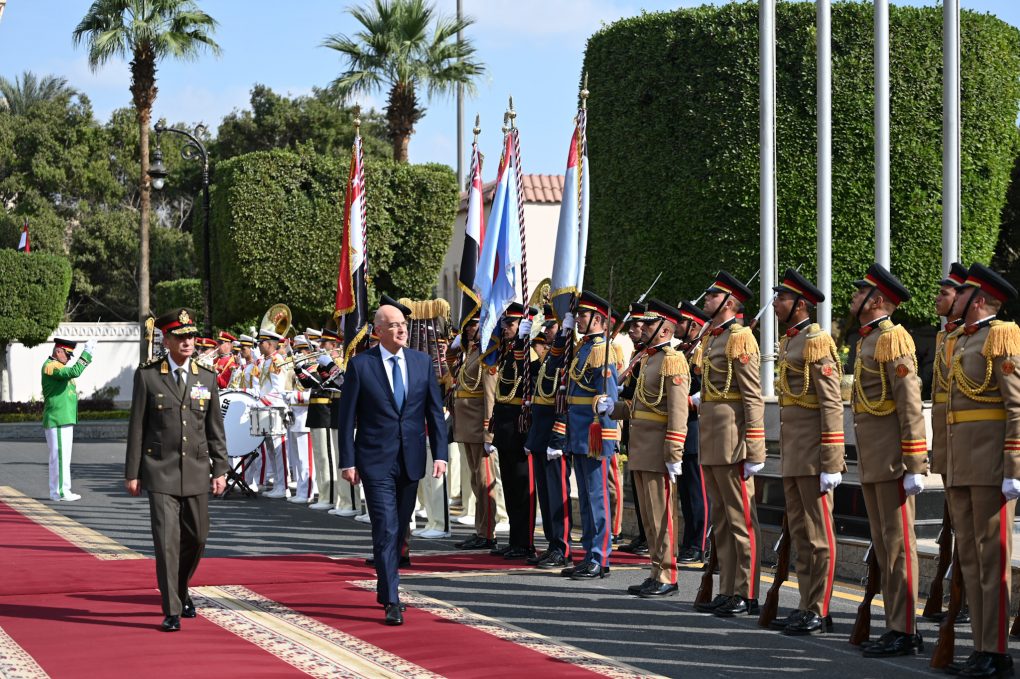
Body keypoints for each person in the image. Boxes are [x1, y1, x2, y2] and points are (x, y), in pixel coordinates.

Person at [338, 303, 448, 626]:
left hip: (411, 459)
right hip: (374, 460)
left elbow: (433, 412)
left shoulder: (422, 362)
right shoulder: (361, 366)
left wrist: (439, 453)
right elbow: (347, 420)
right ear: (379, 331)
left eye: (403, 324)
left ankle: (384, 582)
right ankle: (392, 598)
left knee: (399, 529)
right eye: (394, 325)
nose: (402, 330)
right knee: (385, 527)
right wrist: (348, 460)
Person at [125, 308, 228, 632]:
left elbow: (215, 429)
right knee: (167, 541)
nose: (187, 342)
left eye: (191, 337)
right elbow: (137, 427)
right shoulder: (148, 375)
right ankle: (171, 608)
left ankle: (181, 589)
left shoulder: (206, 377)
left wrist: (221, 469)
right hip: (160, 470)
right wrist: (133, 472)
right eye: (180, 337)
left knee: (197, 537)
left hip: (197, 469)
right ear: (166, 340)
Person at [944, 263, 1020, 677]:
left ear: (980, 300)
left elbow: (1016, 406)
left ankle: (996, 650)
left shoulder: (1002, 337)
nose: (954, 296)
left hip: (991, 465)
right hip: (961, 465)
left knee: (992, 559)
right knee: (970, 560)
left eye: (963, 292)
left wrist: (1014, 466)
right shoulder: (959, 341)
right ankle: (979, 646)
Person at [848, 263, 928, 657]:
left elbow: (910, 405)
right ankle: (896, 623)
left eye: (859, 292)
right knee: (884, 546)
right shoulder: (866, 341)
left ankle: (906, 627)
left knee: (899, 547)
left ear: (876, 300)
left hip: (894, 461)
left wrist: (915, 462)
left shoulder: (894, 340)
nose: (852, 297)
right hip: (874, 460)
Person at [771, 269, 845, 635]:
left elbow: (831, 405)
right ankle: (805, 603)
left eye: (781, 298)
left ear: (800, 305)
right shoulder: (790, 343)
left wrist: (832, 459)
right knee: (801, 534)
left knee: (819, 536)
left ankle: (820, 607)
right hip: (794, 455)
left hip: (815, 456)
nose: (774, 304)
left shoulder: (817, 342)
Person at [607, 299, 690, 598]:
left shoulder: (672, 360)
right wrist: (614, 408)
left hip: (658, 449)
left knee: (662, 515)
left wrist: (674, 451)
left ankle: (667, 574)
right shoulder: (647, 359)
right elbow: (639, 405)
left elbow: (678, 411)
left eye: (651, 324)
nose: (644, 328)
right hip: (641, 446)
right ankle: (656, 570)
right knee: (648, 516)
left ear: (666, 329)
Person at [694, 271, 765, 617]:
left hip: (734, 442)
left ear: (729, 303)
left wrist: (754, 446)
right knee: (722, 520)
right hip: (713, 441)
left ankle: (747, 590)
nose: (705, 300)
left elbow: (753, 397)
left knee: (741, 521)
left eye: (711, 295)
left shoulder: (740, 338)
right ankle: (727, 588)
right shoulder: (715, 338)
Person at [548, 290, 621, 580]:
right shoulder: (582, 348)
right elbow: (555, 368)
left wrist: (606, 436)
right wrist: (563, 334)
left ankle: (600, 556)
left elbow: (610, 398)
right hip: (578, 431)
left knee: (596, 497)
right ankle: (589, 551)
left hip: (594, 433)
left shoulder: (603, 350)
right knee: (587, 501)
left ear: (599, 319)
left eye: (582, 315)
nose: (578, 319)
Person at [451, 312, 501, 550]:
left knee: (484, 481)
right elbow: (453, 374)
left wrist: (488, 432)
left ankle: (488, 532)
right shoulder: (471, 352)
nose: (469, 329)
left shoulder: (488, 355)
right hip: (466, 427)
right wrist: (453, 348)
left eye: (474, 325)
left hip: (479, 429)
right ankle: (481, 530)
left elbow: (490, 396)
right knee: (475, 481)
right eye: (467, 326)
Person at [674, 301, 711, 565]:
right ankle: (688, 540)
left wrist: (690, 399)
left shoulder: (701, 352)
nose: (675, 326)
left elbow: (703, 387)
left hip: (695, 426)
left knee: (697, 491)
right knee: (686, 493)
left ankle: (699, 543)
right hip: (680, 427)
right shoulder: (682, 351)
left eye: (680, 322)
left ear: (694, 325)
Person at [41, 337, 96, 501]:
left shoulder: (58, 366)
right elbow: (75, 372)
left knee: (61, 457)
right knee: (59, 457)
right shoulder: (51, 366)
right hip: (57, 417)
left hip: (63, 417)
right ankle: (60, 492)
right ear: (58, 351)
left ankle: (58, 491)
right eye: (67, 354)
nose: (68, 358)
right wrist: (87, 352)